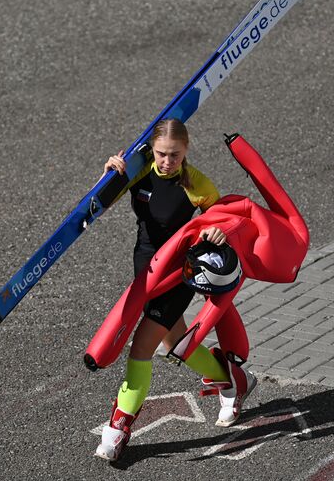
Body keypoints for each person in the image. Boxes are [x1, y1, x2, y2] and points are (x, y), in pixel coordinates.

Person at [95, 119, 256, 461]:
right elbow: (96, 207)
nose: (167, 161)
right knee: (173, 343)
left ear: (186, 151)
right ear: (152, 151)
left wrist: (217, 232)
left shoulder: (196, 183)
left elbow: (223, 220)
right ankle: (231, 378)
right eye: (161, 154)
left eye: (175, 155)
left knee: (141, 348)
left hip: (177, 273)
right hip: (146, 270)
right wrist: (109, 176)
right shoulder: (139, 173)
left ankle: (118, 428)